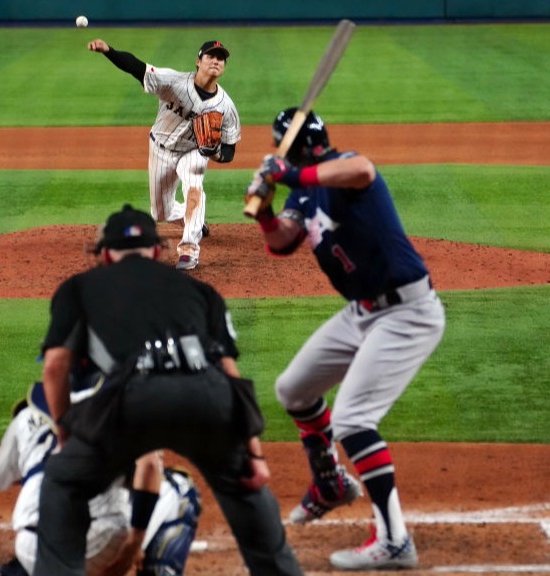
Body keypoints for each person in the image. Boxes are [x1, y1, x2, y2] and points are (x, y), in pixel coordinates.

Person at [34, 204, 303, 576]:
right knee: (247, 490)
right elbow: (230, 372)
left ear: (107, 255)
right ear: (157, 251)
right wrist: (252, 454)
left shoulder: (78, 288)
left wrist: (67, 435)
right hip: (208, 398)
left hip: (133, 401)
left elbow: (55, 366)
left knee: (63, 481)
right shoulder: (201, 291)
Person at [243, 108, 446, 570]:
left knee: (354, 420)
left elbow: (362, 169)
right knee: (293, 389)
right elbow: (281, 241)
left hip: (408, 312)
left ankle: (395, 540)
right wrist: (267, 207)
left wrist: (291, 173)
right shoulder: (305, 194)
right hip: (362, 313)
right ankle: (329, 482)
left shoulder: (344, 167)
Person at [0, 381, 202, 576]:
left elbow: (1, 479)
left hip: (28, 544)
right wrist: (134, 545)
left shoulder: (26, 415)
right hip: (98, 542)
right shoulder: (122, 405)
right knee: (180, 489)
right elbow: (149, 465)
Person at [86, 39, 241, 271]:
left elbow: (228, 152)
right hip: (160, 149)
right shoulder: (174, 82)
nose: (216, 61)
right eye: (211, 57)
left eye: (221, 59)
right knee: (161, 211)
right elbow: (136, 68)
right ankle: (194, 222)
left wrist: (213, 152)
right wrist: (109, 51)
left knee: (194, 186)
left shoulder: (226, 107)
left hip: (193, 152)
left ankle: (189, 250)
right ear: (198, 62)